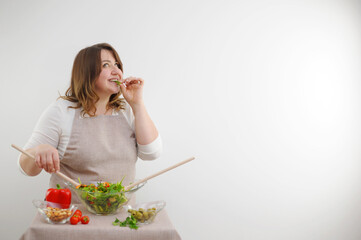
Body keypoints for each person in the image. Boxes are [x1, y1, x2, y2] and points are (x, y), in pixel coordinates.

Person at [18, 43, 162, 201]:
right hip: (71, 217)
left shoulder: (128, 111)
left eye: (117, 65)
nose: (116, 71)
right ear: (87, 72)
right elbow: (25, 168)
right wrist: (39, 150)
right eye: (106, 65)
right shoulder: (61, 111)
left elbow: (152, 153)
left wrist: (137, 104)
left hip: (120, 217)